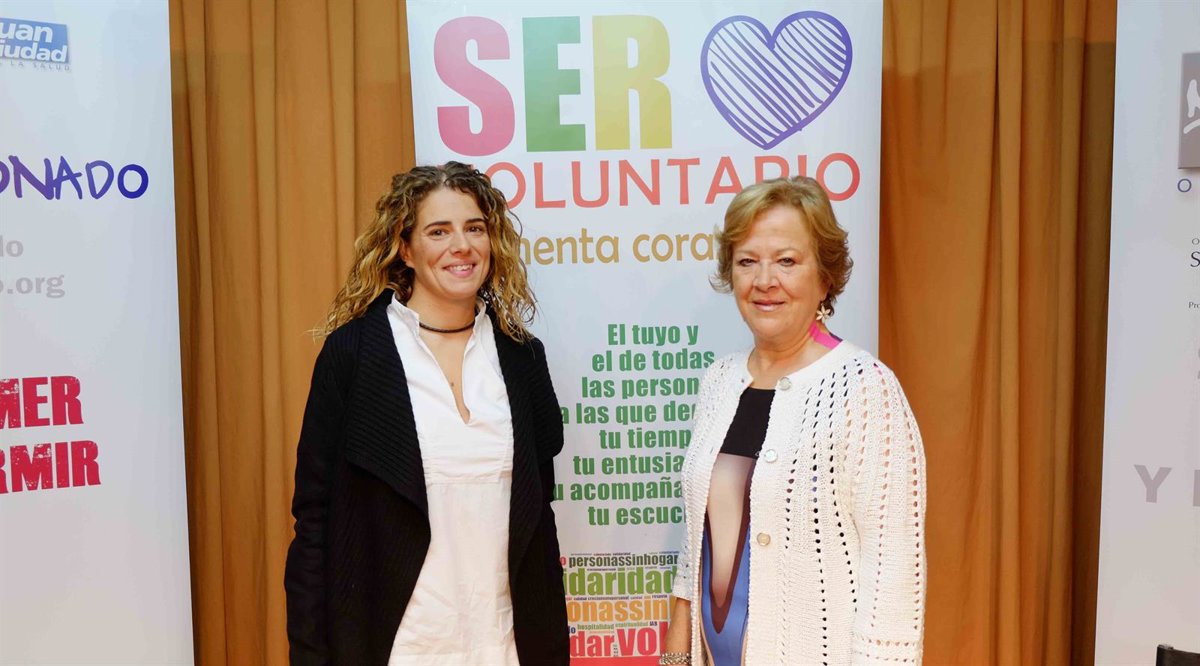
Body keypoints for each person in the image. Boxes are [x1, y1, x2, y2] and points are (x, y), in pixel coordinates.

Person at [284, 162, 569, 665]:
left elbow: (537, 518)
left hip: (507, 646)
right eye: (439, 231)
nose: (462, 246)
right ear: (405, 248)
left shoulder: (522, 357)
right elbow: (314, 522)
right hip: (400, 649)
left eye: (474, 228)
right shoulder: (353, 355)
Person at [660, 177, 927, 665]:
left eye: (786, 261)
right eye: (747, 261)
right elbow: (696, 541)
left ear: (824, 276)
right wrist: (676, 656)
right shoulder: (720, 381)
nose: (764, 280)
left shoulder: (865, 389)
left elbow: (893, 571)